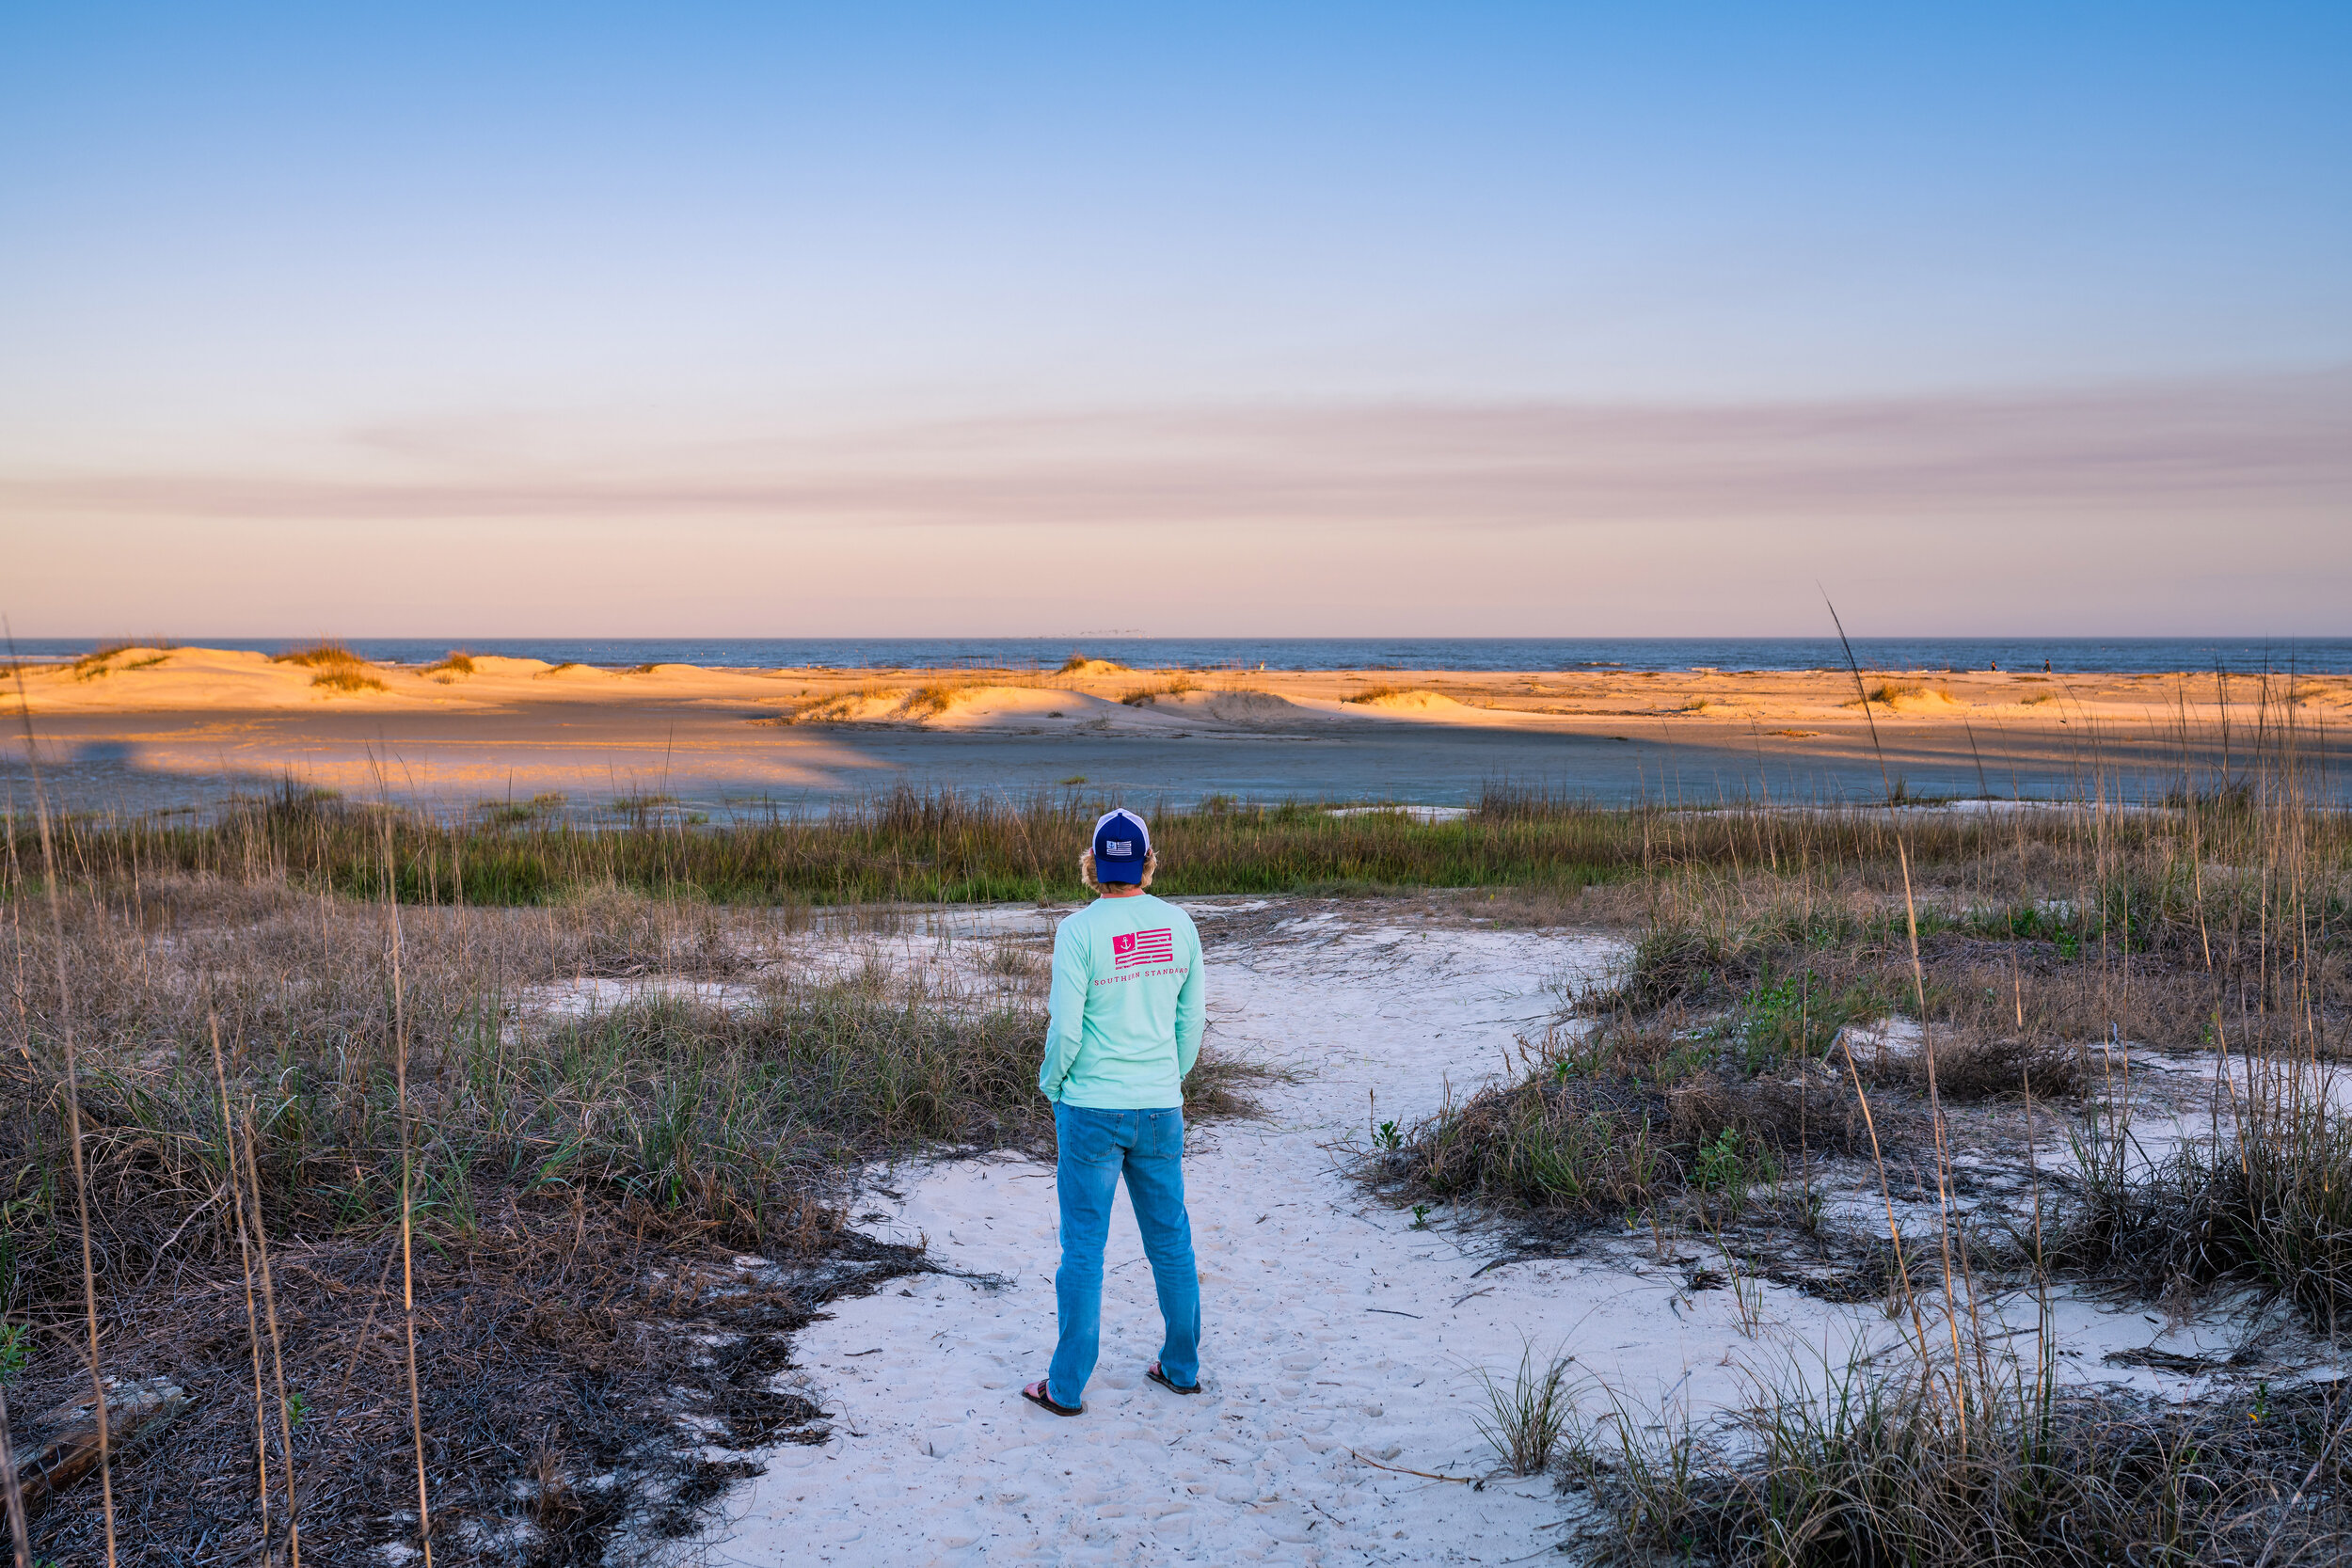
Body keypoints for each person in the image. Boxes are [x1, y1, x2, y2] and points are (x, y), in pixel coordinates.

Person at [1022, 808, 1205, 1417]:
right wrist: (1167, 1076)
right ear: (1147, 862)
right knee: (1171, 1242)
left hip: (1091, 1108)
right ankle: (1181, 1367)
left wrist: (1052, 1083)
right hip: (1158, 1106)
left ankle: (1067, 1387)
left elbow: (1065, 1029)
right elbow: (1191, 1021)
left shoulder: (1078, 931)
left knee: (1083, 1249)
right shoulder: (1180, 925)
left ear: (1095, 864)